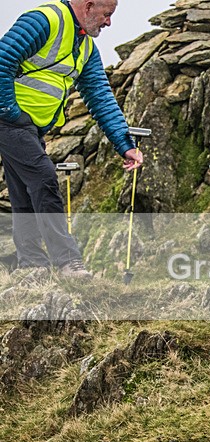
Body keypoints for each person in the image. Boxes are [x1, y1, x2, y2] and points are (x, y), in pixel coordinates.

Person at [0, 0, 143, 277]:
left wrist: (125, 145)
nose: (109, 22)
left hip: (31, 128)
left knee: (24, 193)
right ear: (88, 6)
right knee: (43, 178)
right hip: (8, 120)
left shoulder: (85, 47)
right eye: (107, 14)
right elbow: (2, 60)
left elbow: (100, 97)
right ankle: (68, 262)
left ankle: (32, 266)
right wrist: (10, 112)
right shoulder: (44, 21)